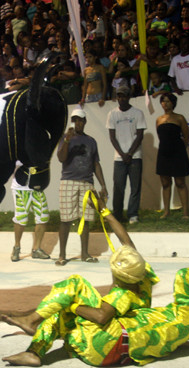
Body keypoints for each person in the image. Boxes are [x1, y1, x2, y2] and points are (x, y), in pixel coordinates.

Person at [0, 219, 189, 367]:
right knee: (64, 315)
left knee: (74, 286)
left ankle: (32, 320)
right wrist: (105, 212)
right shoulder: (176, 321)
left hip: (108, 342)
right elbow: (128, 245)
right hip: (109, 353)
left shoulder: (127, 294)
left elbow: (101, 317)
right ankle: (33, 351)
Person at [55, 108, 108, 266]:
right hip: (68, 182)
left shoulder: (91, 141)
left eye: (80, 120)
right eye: (75, 119)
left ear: (84, 122)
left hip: (87, 182)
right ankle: (62, 255)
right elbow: (61, 158)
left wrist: (103, 185)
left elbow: (95, 164)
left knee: (85, 219)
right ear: (72, 121)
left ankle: (85, 253)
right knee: (65, 219)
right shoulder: (65, 138)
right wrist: (67, 140)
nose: (78, 122)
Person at [107, 86, 146, 224]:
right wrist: (123, 154)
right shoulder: (112, 114)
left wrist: (129, 153)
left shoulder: (138, 113)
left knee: (135, 187)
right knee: (118, 187)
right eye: (119, 96)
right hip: (119, 157)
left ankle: (132, 214)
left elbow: (140, 135)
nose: (121, 99)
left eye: (123, 96)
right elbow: (112, 137)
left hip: (135, 156)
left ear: (129, 97)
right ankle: (117, 215)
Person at [156, 93, 189, 219]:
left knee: (180, 182)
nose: (165, 104)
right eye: (163, 101)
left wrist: (180, 149)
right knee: (165, 183)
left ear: (173, 103)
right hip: (163, 153)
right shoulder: (159, 119)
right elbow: (160, 137)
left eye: (167, 101)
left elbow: (186, 136)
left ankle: (185, 212)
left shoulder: (180, 118)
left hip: (177, 152)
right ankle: (166, 211)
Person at [10, 162, 51, 262]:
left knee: (43, 216)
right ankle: (16, 247)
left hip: (37, 186)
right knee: (21, 218)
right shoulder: (18, 148)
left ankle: (36, 249)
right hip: (21, 187)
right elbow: (13, 163)